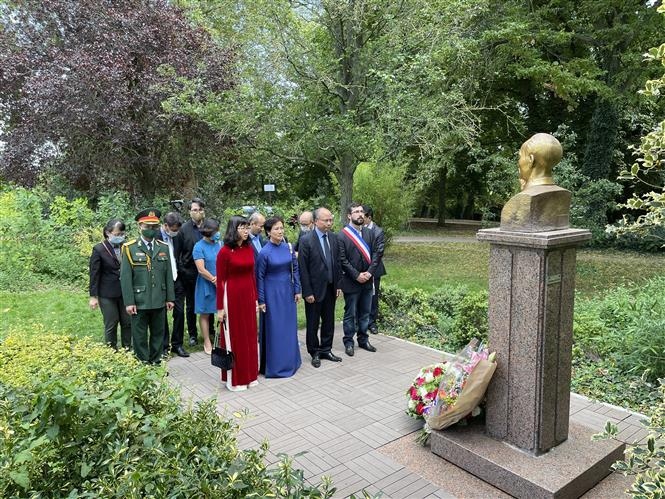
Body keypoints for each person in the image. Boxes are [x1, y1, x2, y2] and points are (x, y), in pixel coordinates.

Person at [120, 209, 175, 363]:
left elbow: (168, 274)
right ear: (140, 226)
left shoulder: (163, 247)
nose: (151, 230)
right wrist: (129, 302)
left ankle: (156, 362)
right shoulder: (129, 248)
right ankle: (143, 362)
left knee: (158, 333)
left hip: (159, 298)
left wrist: (170, 297)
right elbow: (125, 278)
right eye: (148, 227)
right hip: (139, 300)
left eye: (154, 227)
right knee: (139, 334)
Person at [216, 216, 259, 391]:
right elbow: (220, 281)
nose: (246, 231)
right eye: (242, 227)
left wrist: (255, 298)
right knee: (236, 336)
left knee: (249, 335)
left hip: (248, 295)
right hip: (232, 297)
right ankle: (236, 379)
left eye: (247, 227)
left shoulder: (249, 248)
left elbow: (252, 275)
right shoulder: (224, 252)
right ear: (234, 229)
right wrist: (220, 307)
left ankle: (250, 375)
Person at [256, 216, 302, 377]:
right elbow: (259, 277)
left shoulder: (288, 247)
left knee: (289, 328)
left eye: (282, 228)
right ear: (268, 232)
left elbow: (295, 269)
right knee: (275, 329)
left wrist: (297, 289)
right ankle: (275, 366)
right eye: (276, 228)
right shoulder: (264, 252)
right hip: (271, 293)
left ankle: (291, 362)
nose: (280, 231)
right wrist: (261, 300)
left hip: (287, 292)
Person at [297, 207, 343, 368]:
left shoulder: (334, 238)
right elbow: (303, 268)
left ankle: (326, 349)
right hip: (314, 291)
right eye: (326, 220)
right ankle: (314, 351)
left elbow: (337, 263)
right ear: (316, 221)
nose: (329, 223)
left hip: (331, 288)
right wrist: (307, 291)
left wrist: (338, 285)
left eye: (331, 220)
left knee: (329, 321)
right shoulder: (306, 240)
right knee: (313, 322)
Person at [338, 203, 380, 356]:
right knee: (350, 313)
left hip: (368, 280)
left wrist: (369, 273)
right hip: (351, 281)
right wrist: (356, 275)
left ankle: (363, 339)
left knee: (365, 312)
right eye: (356, 212)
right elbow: (342, 260)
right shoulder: (342, 235)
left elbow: (376, 255)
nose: (360, 214)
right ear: (349, 216)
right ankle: (349, 342)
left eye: (361, 212)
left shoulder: (369, 234)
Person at [88, 218, 132, 350]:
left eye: (122, 234)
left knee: (127, 322)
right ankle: (111, 351)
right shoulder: (99, 249)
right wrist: (93, 296)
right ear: (108, 232)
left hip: (125, 292)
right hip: (107, 293)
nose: (120, 237)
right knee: (111, 322)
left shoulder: (127, 247)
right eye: (117, 234)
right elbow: (94, 274)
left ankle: (127, 349)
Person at [173, 198, 205, 346]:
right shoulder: (183, 230)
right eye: (194, 210)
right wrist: (182, 270)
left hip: (206, 273)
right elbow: (177, 253)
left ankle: (209, 330)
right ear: (189, 211)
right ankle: (193, 334)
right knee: (191, 305)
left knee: (207, 302)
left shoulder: (208, 227)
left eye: (199, 210)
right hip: (189, 273)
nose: (197, 213)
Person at [159, 212, 189, 357]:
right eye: (173, 229)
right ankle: (164, 347)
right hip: (161, 282)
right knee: (162, 314)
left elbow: (180, 255)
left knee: (179, 312)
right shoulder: (155, 237)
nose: (175, 232)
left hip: (177, 280)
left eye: (177, 230)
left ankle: (177, 344)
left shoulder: (177, 237)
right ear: (165, 226)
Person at [193, 218, 222, 355]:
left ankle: (222, 339)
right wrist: (213, 279)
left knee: (223, 312)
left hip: (221, 282)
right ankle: (206, 341)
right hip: (206, 283)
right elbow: (201, 269)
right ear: (208, 232)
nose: (218, 233)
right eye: (216, 230)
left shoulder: (219, 244)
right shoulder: (199, 246)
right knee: (205, 313)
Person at [362, 205, 386, 334]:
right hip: (359, 270)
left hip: (374, 269)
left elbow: (378, 252)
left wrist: (370, 270)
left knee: (373, 296)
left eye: (363, 215)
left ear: (369, 217)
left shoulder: (378, 231)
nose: (360, 217)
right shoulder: (358, 230)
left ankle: (371, 322)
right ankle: (359, 321)